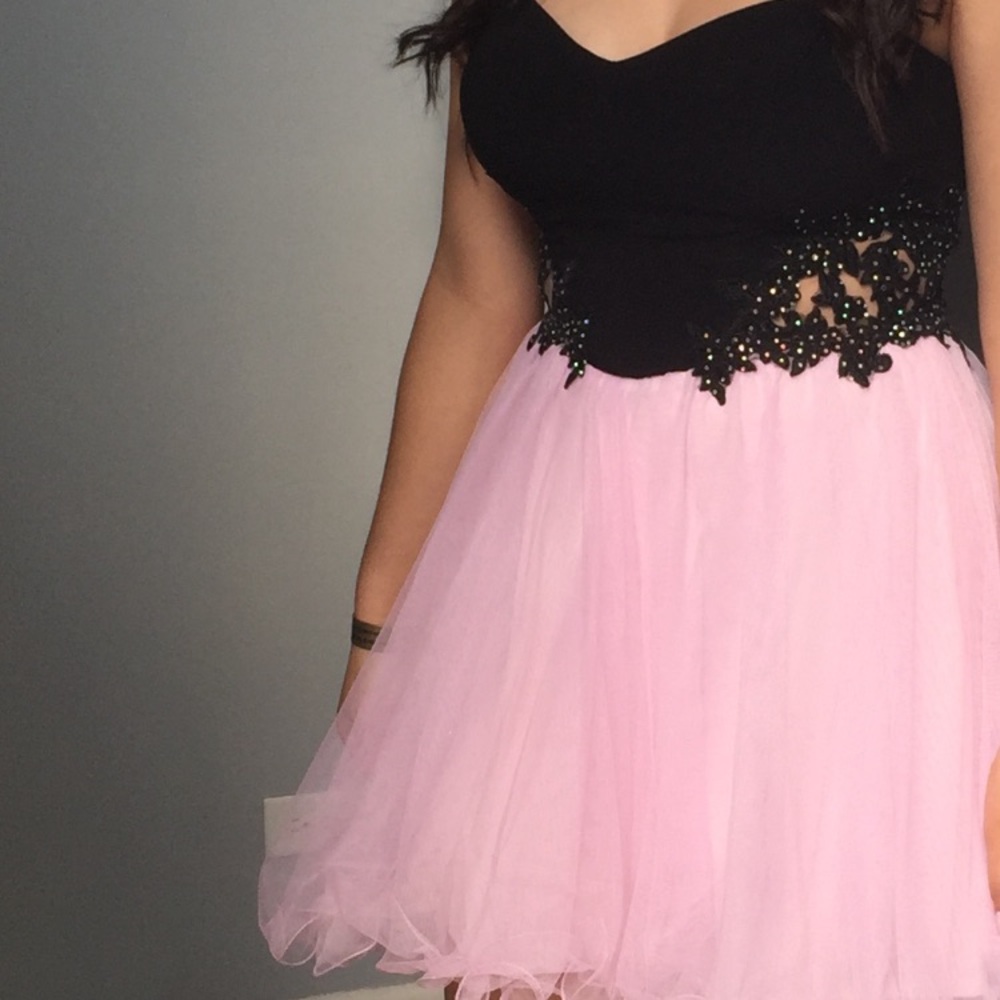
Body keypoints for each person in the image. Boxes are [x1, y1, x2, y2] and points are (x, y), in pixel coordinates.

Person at [259, 2, 1000, 999]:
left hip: (847, 557)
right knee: (546, 954)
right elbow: (476, 293)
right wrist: (378, 624)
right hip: (574, 551)